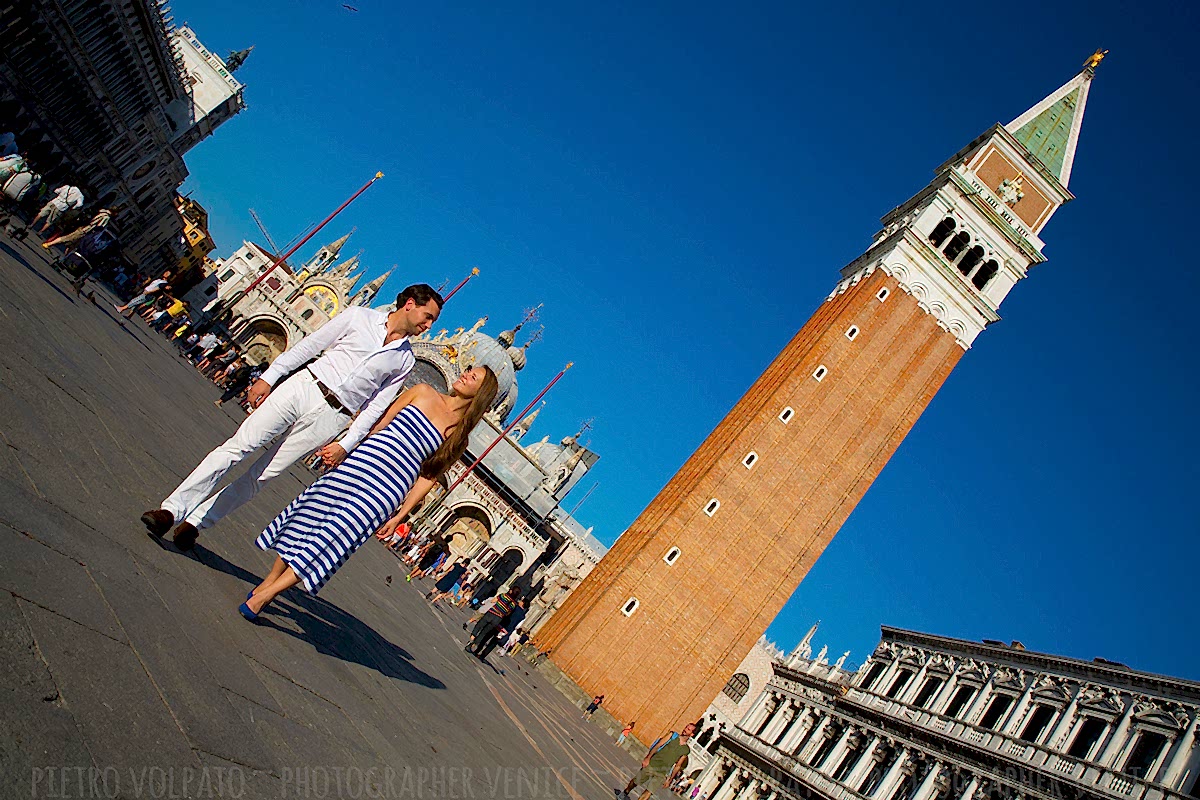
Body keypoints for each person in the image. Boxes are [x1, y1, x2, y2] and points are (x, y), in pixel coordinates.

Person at [139, 285, 443, 550]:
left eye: (432, 321)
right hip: (305, 386)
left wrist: (347, 443)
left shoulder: (404, 359)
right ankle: (171, 510)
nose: (427, 326)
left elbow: (376, 407)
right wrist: (269, 376)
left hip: (334, 417)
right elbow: (311, 345)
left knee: (262, 476)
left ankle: (196, 523)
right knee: (237, 448)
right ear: (409, 304)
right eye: (427, 317)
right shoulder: (359, 316)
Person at [239, 365, 499, 619]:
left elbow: (428, 477)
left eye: (472, 376)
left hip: (387, 491)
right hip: (361, 464)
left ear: (480, 394)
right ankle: (268, 584)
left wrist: (400, 515)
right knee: (309, 519)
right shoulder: (422, 391)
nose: (465, 374)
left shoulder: (458, 436)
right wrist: (347, 448)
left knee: (331, 539)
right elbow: (379, 424)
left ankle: (266, 594)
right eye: (468, 369)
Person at [619, 722, 696, 800]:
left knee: (649, 792)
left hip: (662, 772)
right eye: (686, 727)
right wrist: (648, 758)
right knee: (635, 782)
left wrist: (670, 780)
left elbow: (678, 766)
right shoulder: (672, 735)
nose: (685, 730)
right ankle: (626, 791)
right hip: (653, 764)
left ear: (692, 734)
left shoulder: (686, 750)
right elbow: (658, 745)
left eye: (688, 729)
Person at [465, 586, 521, 658]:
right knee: (484, 632)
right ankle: (471, 645)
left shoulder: (503, 595)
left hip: (491, 613)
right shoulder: (513, 604)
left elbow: (493, 601)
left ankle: (472, 637)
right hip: (498, 619)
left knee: (479, 625)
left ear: (511, 591)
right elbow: (508, 613)